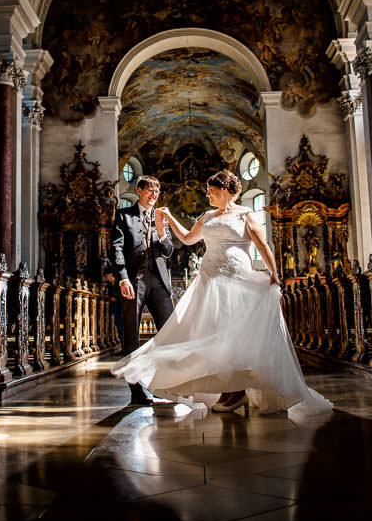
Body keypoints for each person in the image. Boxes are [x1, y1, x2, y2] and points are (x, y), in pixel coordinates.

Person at [112, 170, 332, 418]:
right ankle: (227, 390)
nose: (208, 195)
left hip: (237, 279)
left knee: (233, 334)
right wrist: (170, 219)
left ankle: (237, 389)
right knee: (213, 333)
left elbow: (262, 245)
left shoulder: (245, 215)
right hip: (210, 280)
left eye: (211, 191)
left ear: (225, 191)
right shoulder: (208, 216)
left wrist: (274, 273)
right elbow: (187, 239)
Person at [110, 175, 176, 404]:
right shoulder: (123, 215)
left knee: (169, 332)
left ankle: (163, 384)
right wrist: (122, 278)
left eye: (157, 192)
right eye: (149, 190)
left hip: (159, 281)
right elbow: (116, 248)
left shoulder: (161, 217)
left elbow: (168, 251)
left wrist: (162, 231)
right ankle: (136, 390)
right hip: (134, 280)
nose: (154, 195)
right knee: (131, 335)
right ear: (139, 191)